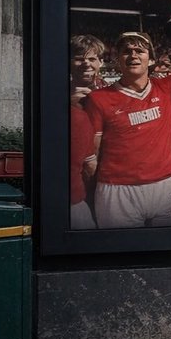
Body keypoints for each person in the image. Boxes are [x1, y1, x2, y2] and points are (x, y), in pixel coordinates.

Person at [83, 31, 171, 228]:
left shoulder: (167, 87)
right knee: (125, 255)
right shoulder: (99, 99)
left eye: (140, 50)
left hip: (166, 185)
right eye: (126, 51)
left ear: (151, 60)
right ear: (117, 59)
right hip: (118, 190)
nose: (133, 56)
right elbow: (91, 155)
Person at [69, 34, 106, 230]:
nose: (86, 64)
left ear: (100, 62)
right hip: (76, 185)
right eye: (79, 58)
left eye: (92, 58)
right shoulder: (56, 93)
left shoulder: (109, 94)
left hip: (106, 179)